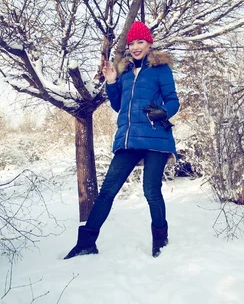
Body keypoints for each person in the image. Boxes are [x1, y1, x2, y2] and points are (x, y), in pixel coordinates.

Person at [64, 20, 180, 259]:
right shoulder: (125, 72)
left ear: (149, 43)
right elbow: (118, 105)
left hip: (155, 137)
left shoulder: (160, 69)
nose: (136, 47)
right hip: (128, 139)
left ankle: (161, 240)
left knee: (151, 190)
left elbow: (173, 100)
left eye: (140, 42)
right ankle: (86, 242)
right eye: (132, 43)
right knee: (107, 190)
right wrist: (112, 81)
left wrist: (163, 112)